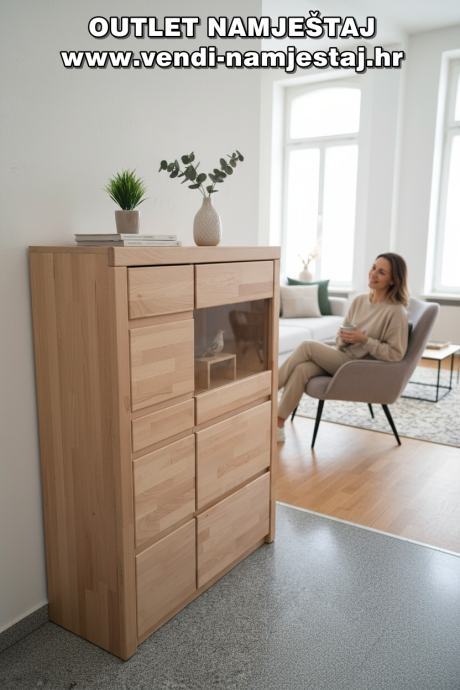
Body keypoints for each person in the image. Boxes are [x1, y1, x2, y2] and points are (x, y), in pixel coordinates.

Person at [277, 252, 410, 443]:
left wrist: (364, 340)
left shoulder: (396, 312)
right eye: (373, 268)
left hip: (360, 366)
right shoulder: (359, 300)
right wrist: (345, 339)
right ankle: (278, 424)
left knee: (307, 346)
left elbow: (396, 354)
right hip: (343, 357)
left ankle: (268, 390)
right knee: (302, 370)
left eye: (381, 272)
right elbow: (341, 339)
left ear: (393, 280)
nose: (373, 274)